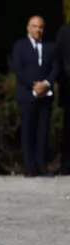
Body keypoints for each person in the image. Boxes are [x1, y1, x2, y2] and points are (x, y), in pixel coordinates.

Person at [10, 15, 58, 177]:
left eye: (41, 27)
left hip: (46, 94)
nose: (38, 30)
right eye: (35, 26)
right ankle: (29, 167)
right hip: (27, 95)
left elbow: (55, 68)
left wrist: (46, 83)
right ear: (28, 28)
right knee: (28, 131)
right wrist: (33, 85)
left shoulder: (50, 47)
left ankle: (41, 166)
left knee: (42, 131)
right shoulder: (20, 46)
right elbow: (18, 68)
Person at [56, 22, 70, 175]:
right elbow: (58, 59)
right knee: (68, 129)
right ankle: (66, 163)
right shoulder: (65, 31)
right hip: (68, 88)